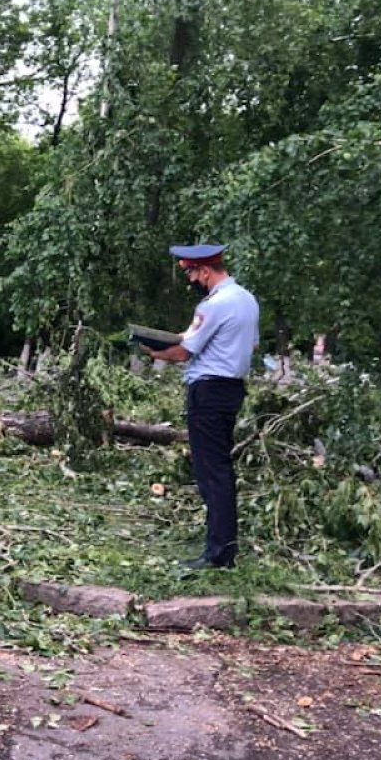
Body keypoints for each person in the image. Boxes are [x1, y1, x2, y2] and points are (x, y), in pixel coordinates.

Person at [142, 244, 259, 570]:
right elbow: (250, 343)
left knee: (212, 473)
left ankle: (219, 554)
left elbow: (183, 353)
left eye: (192, 273)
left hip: (208, 392)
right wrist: (172, 338)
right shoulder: (246, 299)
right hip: (231, 390)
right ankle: (222, 547)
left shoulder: (214, 304)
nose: (192, 279)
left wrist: (152, 350)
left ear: (204, 271)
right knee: (219, 469)